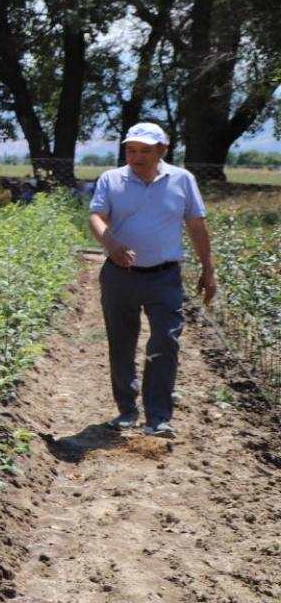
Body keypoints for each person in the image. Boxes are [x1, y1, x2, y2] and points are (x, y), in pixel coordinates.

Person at [88, 122, 216, 438]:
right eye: (131, 150)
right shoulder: (111, 179)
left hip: (164, 276)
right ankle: (127, 411)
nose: (137, 157)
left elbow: (196, 225)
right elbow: (96, 217)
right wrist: (111, 244)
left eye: (145, 150)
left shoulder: (182, 180)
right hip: (120, 276)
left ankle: (158, 417)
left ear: (163, 150)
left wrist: (208, 268)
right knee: (121, 343)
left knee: (165, 342)